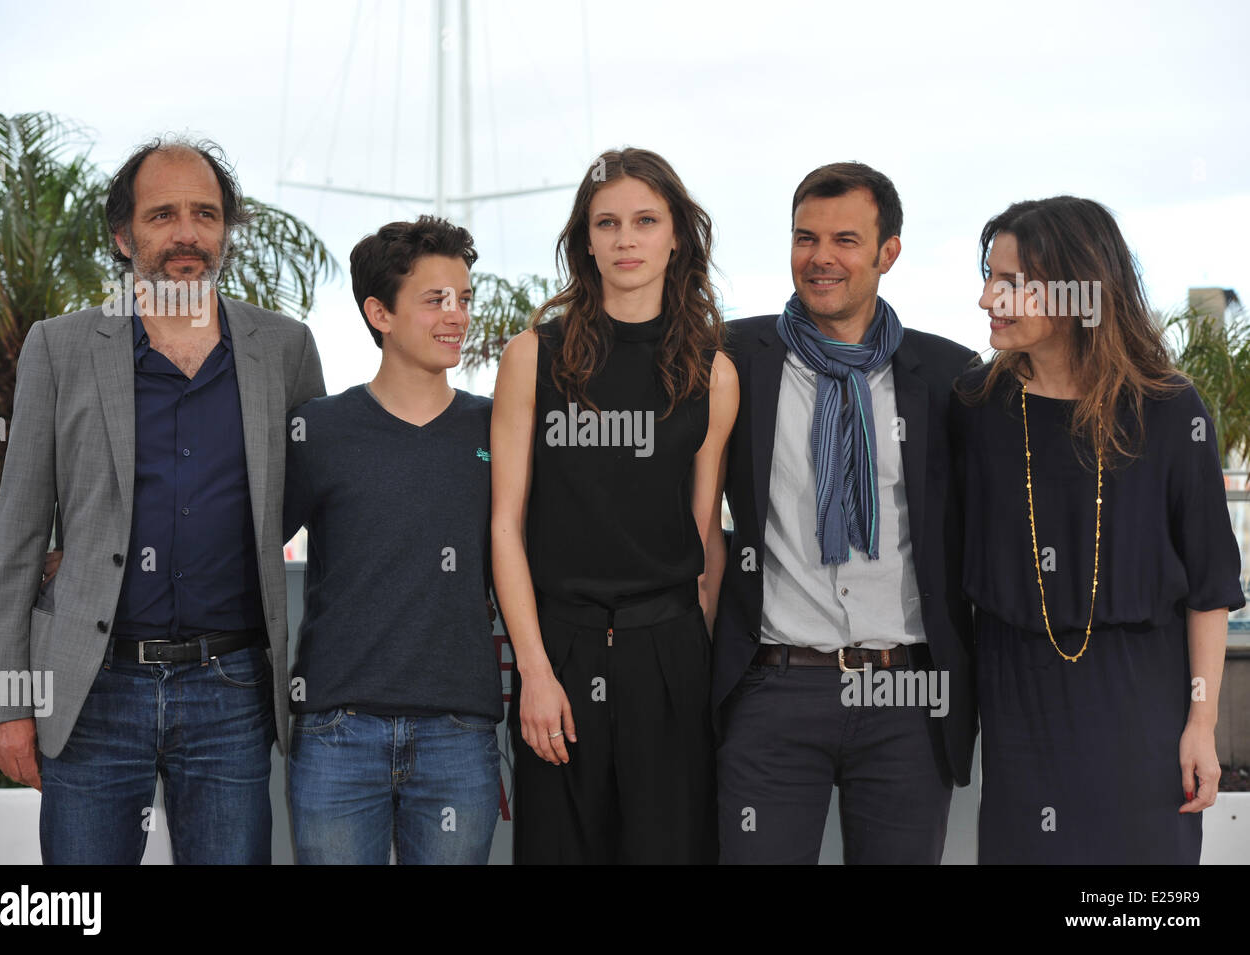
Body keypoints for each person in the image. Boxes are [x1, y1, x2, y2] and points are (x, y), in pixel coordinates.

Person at [0, 137, 326, 864]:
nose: (187, 233)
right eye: (163, 213)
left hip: (231, 690)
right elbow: (17, 537)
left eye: (205, 214)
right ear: (122, 234)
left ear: (225, 231)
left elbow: (302, 495)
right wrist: (8, 703)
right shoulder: (60, 347)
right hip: (92, 689)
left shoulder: (286, 349)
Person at [951, 196, 1245, 864]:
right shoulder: (974, 406)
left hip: (1141, 709)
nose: (986, 298)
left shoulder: (1170, 412)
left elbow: (1209, 586)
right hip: (1018, 710)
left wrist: (1202, 724)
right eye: (989, 276)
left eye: (1010, 282)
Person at [713, 161, 978, 864]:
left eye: (845, 240)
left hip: (907, 692)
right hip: (772, 686)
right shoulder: (734, 355)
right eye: (805, 237)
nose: (820, 257)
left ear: (889, 251)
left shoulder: (950, 374)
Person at [491, 147, 738, 864]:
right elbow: (505, 525)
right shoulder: (531, 358)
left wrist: (697, 661)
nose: (626, 239)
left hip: (670, 654)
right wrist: (533, 670)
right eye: (607, 223)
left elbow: (705, 535)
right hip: (558, 654)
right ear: (586, 240)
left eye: (645, 220)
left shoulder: (712, 373)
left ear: (676, 236)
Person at [283, 216, 503, 865]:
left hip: (459, 733)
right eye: (436, 299)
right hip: (336, 732)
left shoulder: (495, 427)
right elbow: (250, 546)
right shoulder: (317, 430)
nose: (457, 315)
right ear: (379, 311)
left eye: (464, 298)